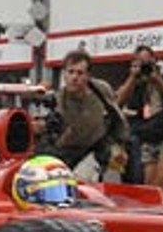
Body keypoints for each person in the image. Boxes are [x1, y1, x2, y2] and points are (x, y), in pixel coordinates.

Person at [53, 48, 129, 183]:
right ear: (64, 74)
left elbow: (117, 117)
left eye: (80, 73)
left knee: (109, 186)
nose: (74, 77)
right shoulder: (58, 100)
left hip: (101, 148)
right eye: (70, 72)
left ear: (88, 75)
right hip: (71, 152)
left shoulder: (101, 89)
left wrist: (119, 145)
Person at [116, 45, 163, 189]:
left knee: (162, 176)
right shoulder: (138, 80)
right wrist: (132, 77)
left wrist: (158, 80)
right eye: (141, 62)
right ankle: (156, 208)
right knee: (149, 182)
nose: (145, 66)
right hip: (148, 131)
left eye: (147, 62)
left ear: (154, 60)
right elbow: (118, 101)